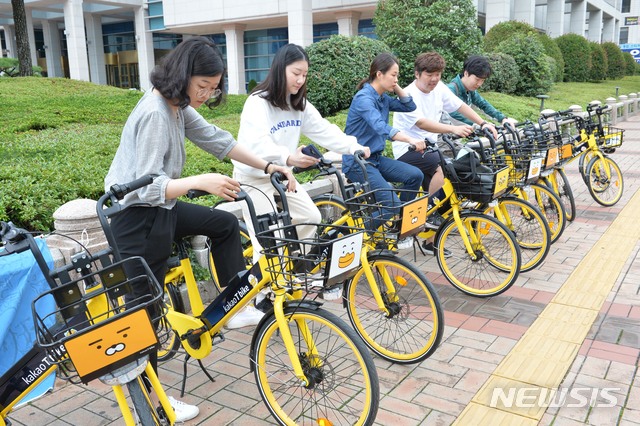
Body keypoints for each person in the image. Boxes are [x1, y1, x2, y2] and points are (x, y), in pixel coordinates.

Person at [104, 36, 293, 422]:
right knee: (145, 317)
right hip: (135, 220)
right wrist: (199, 181)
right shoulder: (157, 112)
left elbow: (216, 139)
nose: (207, 94)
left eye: (214, 87)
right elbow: (149, 186)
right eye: (202, 86)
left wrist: (268, 165)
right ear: (183, 76)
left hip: (162, 210)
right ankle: (154, 403)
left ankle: (233, 303)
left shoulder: (177, 105)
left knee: (223, 223)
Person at [232, 43, 370, 295]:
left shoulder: (298, 103)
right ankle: (262, 295)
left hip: (283, 176)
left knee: (311, 217)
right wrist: (288, 157)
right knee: (270, 240)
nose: (300, 80)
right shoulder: (257, 103)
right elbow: (255, 145)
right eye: (296, 73)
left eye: (305, 75)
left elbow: (323, 129)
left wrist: (353, 146)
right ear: (279, 69)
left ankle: (294, 269)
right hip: (254, 177)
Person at [392, 51, 498, 255]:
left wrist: (483, 122)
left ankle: (430, 241)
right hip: (408, 149)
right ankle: (424, 212)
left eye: (437, 74)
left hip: (429, 148)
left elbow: (460, 106)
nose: (434, 79)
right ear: (417, 74)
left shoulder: (439, 88)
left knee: (449, 191)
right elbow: (422, 123)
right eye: (429, 75)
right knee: (441, 169)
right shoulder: (408, 95)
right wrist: (452, 129)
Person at [342, 52, 425, 249]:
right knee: (391, 204)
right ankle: (353, 239)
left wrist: (394, 85)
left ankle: (395, 227)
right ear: (379, 74)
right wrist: (410, 139)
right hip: (357, 163)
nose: (397, 79)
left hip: (376, 159)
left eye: (397, 76)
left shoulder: (383, 98)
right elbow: (381, 127)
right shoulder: (364, 99)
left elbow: (410, 105)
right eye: (393, 75)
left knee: (415, 175)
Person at [447, 55, 518, 127]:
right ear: (466, 73)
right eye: (477, 79)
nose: (479, 84)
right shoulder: (451, 90)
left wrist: (502, 118)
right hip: (441, 135)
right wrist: (481, 124)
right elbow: (454, 113)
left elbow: (483, 104)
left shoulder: (469, 89)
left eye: (482, 80)